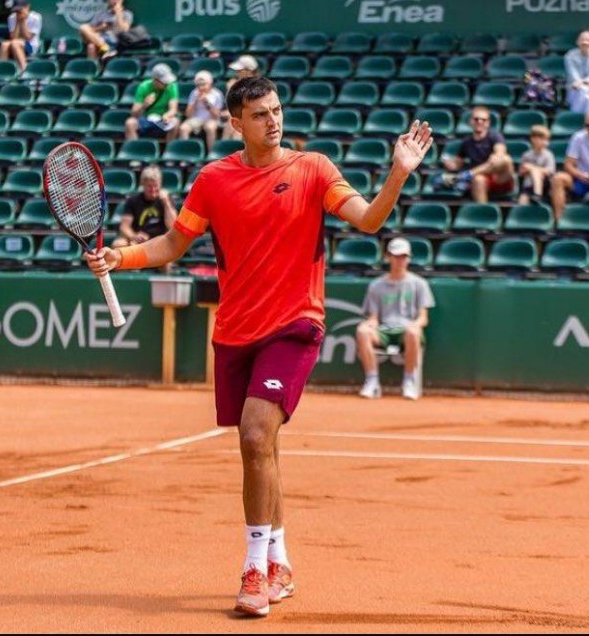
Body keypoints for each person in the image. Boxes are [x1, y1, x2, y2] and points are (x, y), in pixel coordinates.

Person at [82, 76, 432, 618]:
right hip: (236, 330)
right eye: (260, 113)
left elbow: (368, 220)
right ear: (236, 122)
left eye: (277, 110)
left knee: (254, 433)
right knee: (263, 449)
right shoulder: (213, 180)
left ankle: (254, 568)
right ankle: (281, 558)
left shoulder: (314, 169)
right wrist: (120, 257)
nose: (273, 120)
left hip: (295, 325)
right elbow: (175, 242)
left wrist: (397, 174)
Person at [356, 237, 435, 401]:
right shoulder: (376, 286)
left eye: (404, 257)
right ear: (388, 257)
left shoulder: (419, 284)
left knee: (413, 332)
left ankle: (409, 381)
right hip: (383, 331)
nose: (400, 260)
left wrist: (414, 326)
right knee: (362, 331)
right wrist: (369, 324)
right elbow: (374, 318)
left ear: (409, 258)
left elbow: (423, 318)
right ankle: (372, 381)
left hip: (407, 331)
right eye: (396, 256)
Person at [439, 106, 515, 203]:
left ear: (488, 123)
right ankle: (483, 213)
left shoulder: (495, 136)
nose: (480, 122)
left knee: (504, 159)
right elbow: (458, 163)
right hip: (480, 178)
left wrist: (470, 173)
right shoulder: (466, 142)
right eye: (476, 119)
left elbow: (500, 154)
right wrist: (450, 164)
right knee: (478, 179)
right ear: (471, 121)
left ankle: (469, 174)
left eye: (483, 119)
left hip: (500, 177)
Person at [112, 166, 177, 250]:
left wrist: (166, 203)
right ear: (143, 184)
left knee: (172, 246)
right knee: (118, 244)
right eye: (149, 186)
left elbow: (172, 226)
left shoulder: (166, 200)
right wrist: (134, 236)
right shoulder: (133, 201)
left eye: (156, 186)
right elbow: (124, 227)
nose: (153, 189)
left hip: (160, 240)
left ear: (160, 184)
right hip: (139, 240)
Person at [124, 64, 179, 141]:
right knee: (130, 123)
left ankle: (169, 150)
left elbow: (173, 109)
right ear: (155, 80)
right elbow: (134, 113)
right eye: (164, 82)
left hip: (162, 119)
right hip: (146, 118)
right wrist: (144, 105)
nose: (167, 84)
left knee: (175, 122)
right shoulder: (144, 87)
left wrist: (167, 115)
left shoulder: (172, 86)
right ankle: (135, 149)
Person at [179, 70, 225, 154]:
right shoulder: (194, 93)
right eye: (198, 85)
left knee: (210, 127)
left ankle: (212, 154)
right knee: (183, 128)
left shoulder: (217, 94)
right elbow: (188, 115)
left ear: (210, 83)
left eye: (203, 84)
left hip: (212, 119)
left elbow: (216, 115)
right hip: (196, 119)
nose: (200, 87)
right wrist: (195, 102)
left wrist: (207, 103)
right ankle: (185, 154)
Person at [222, 55, 260, 141]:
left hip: (254, 117)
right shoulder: (233, 83)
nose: (237, 73)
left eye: (239, 70)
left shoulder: (258, 85)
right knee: (235, 131)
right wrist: (231, 89)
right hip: (242, 118)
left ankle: (223, 145)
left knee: (234, 127)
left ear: (249, 71)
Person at [0, 0, 42, 72]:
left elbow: (28, 37)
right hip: (15, 43)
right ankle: (2, 71)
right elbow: (13, 37)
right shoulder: (12, 18)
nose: (18, 13)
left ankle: (24, 70)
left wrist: (23, 20)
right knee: (4, 44)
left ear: (27, 7)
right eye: (16, 11)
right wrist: (18, 22)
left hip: (31, 46)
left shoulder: (36, 17)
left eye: (20, 10)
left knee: (15, 43)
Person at [517, 124, 555, 205]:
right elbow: (521, 172)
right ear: (533, 139)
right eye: (542, 139)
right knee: (522, 201)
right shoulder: (526, 155)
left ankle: (537, 194)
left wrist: (533, 168)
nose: (545, 142)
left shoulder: (548, 155)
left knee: (535, 171)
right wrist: (527, 169)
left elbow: (550, 171)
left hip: (544, 185)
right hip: (528, 185)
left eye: (546, 140)